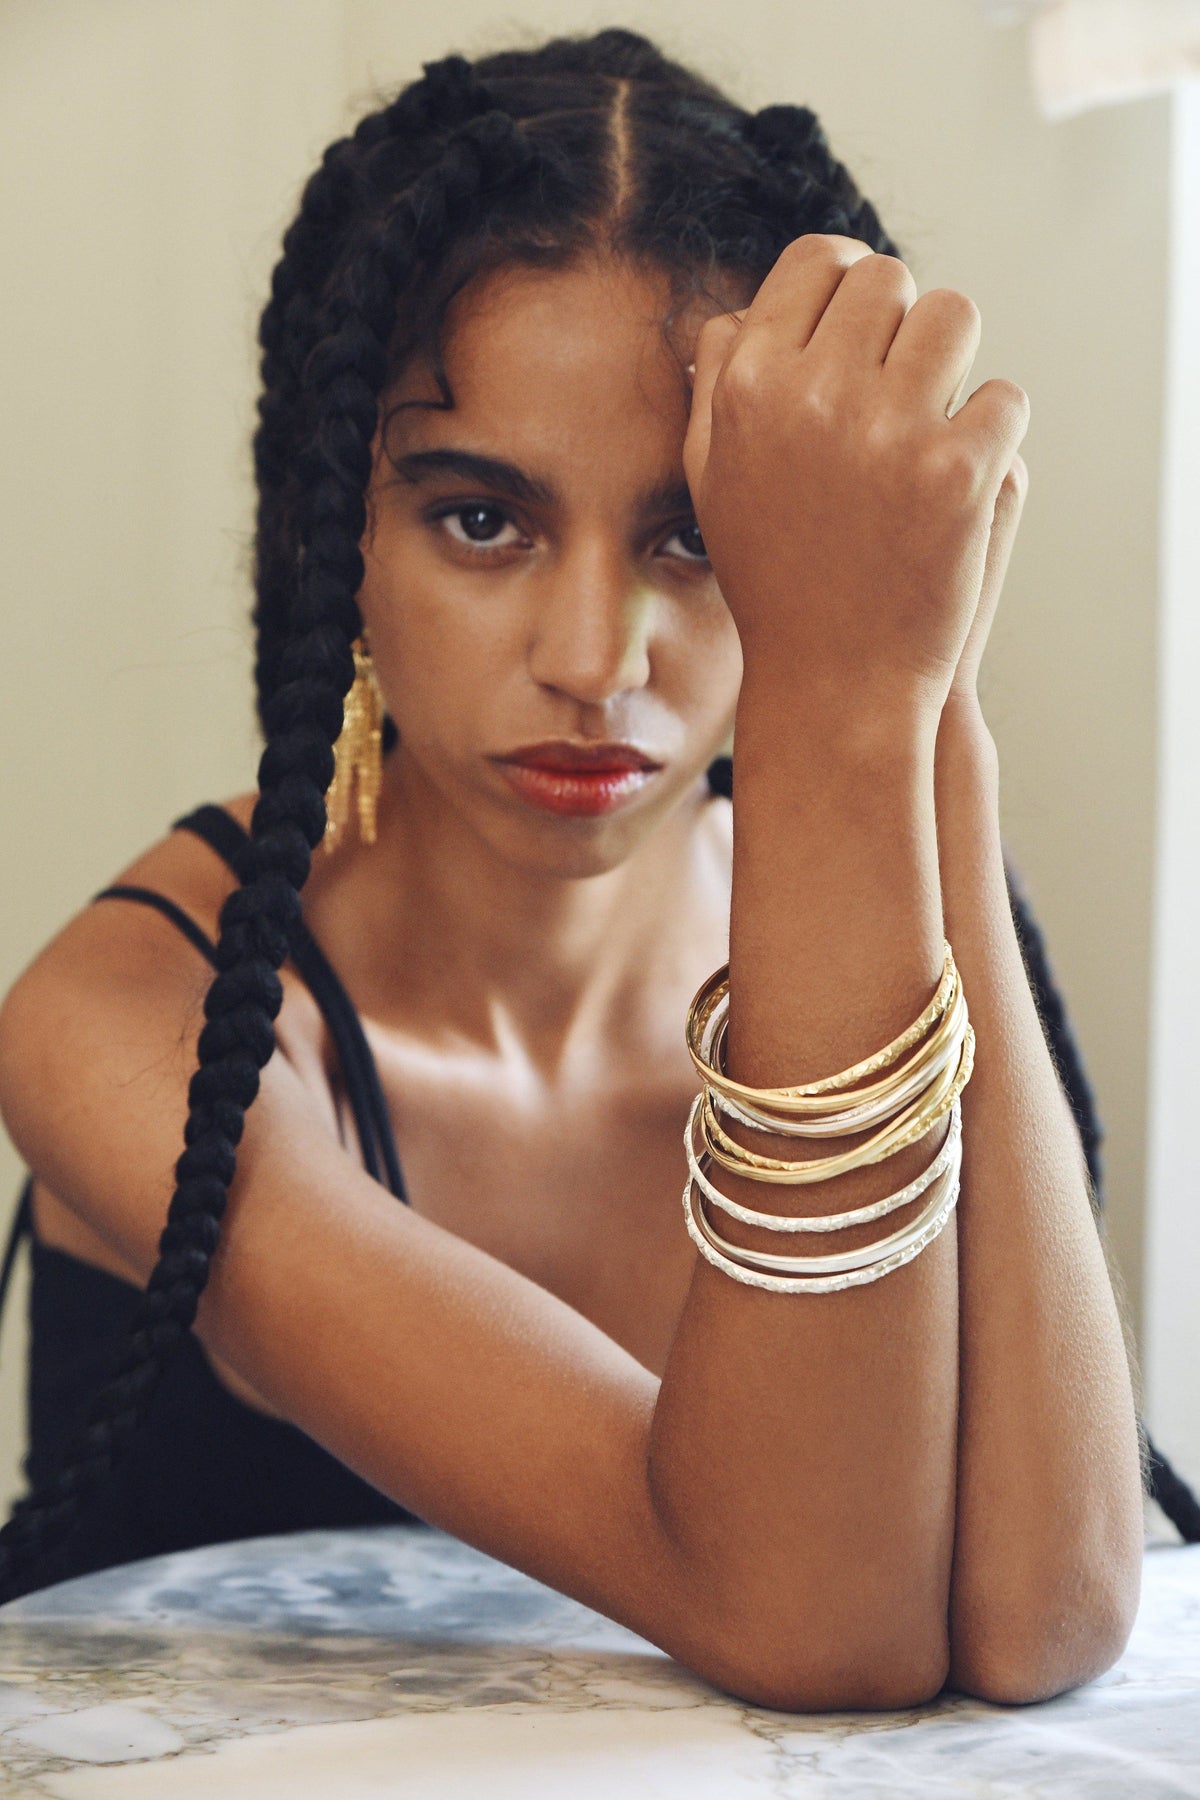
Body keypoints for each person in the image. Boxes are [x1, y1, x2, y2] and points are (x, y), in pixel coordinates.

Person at [0, 27, 1187, 1713]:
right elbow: (814, 1618)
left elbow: (1051, 1612)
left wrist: (923, 715)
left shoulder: (883, 883)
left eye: (695, 533)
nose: (593, 658)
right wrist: (841, 708)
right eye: (483, 520)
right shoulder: (132, 1022)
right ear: (336, 531)